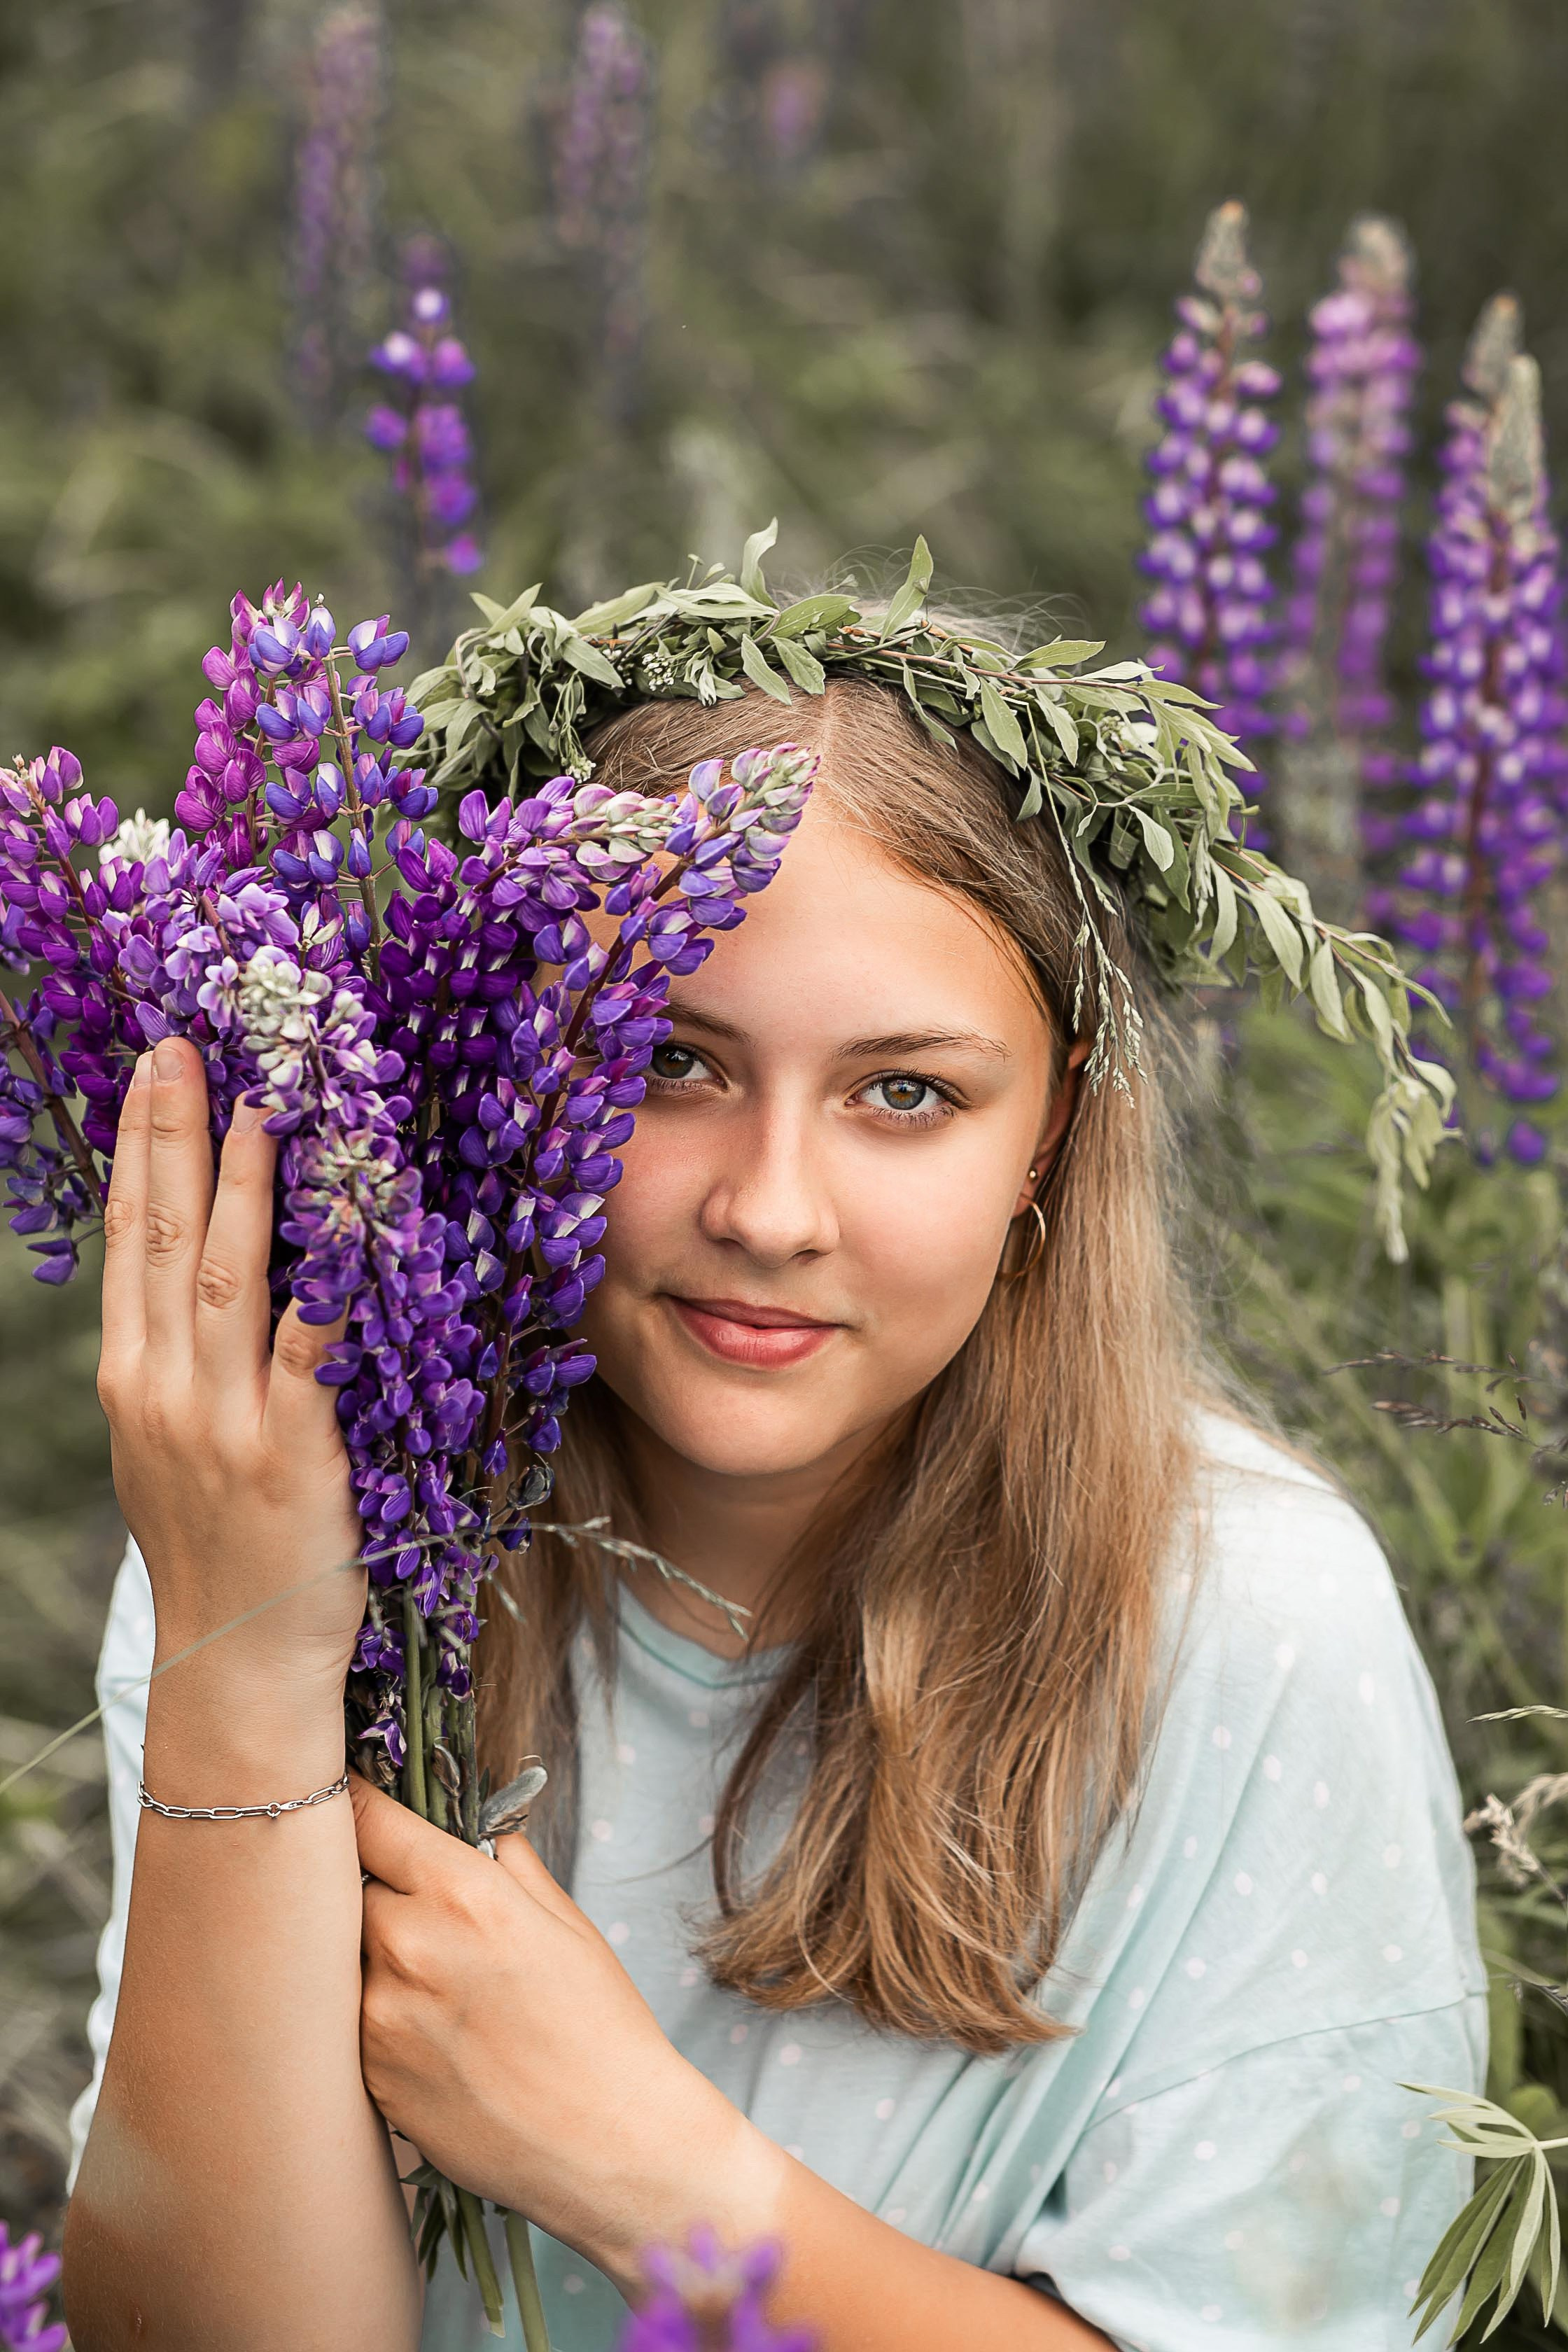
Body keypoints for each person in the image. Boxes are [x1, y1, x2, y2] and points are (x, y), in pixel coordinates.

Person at [64, 670, 1483, 2352]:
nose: (770, 1209)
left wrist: (646, 2169)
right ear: (508, 1060)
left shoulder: (1246, 1618)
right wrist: (244, 1664)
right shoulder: (302, 1521)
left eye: (906, 1093)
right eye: (669, 1060)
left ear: (1053, 1131)